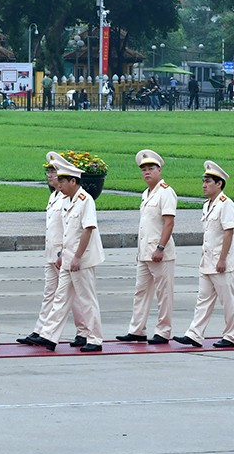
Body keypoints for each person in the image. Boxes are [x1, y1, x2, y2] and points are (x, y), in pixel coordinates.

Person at [33, 160, 104, 351]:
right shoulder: (67, 200)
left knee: (86, 299)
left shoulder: (85, 200)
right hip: (67, 258)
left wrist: (77, 257)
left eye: (63, 181)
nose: (59, 184)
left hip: (83, 259)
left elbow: (87, 230)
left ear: (73, 181)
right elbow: (66, 233)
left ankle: (94, 339)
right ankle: (49, 336)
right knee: (60, 298)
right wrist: (62, 255)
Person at [174, 161, 234, 349]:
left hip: (221, 262)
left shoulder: (226, 204)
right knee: (203, 300)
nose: (204, 185)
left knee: (228, 301)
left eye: (208, 181)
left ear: (219, 184)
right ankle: (194, 334)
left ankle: (231, 336)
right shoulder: (207, 205)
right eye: (203, 181)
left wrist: (222, 259)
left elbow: (228, 232)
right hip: (207, 261)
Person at [117, 150, 176, 345]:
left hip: (160, 253)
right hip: (144, 252)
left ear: (159, 170)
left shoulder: (166, 192)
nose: (147, 172)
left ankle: (163, 331)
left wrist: (161, 247)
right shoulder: (146, 193)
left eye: (151, 168)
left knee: (163, 294)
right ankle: (137, 330)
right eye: (143, 169)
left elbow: (169, 222)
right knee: (140, 292)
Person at [19, 156, 69, 347]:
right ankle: (40, 330)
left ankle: (84, 333)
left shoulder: (67, 197)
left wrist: (63, 252)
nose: (49, 175)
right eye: (48, 171)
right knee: (50, 293)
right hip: (51, 253)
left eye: (53, 171)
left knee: (73, 297)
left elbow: (71, 228)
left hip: (63, 254)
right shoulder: (54, 195)